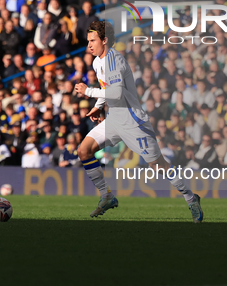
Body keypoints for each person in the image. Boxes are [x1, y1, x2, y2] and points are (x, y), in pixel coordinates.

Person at [74, 21, 203, 222]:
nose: (89, 45)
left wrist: (88, 92)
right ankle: (107, 196)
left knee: (158, 165)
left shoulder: (113, 59)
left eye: (93, 40)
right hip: (114, 119)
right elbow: (108, 88)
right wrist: (99, 105)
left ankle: (191, 198)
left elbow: (116, 93)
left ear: (105, 40)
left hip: (133, 122)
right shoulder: (97, 61)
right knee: (83, 150)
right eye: (88, 40)